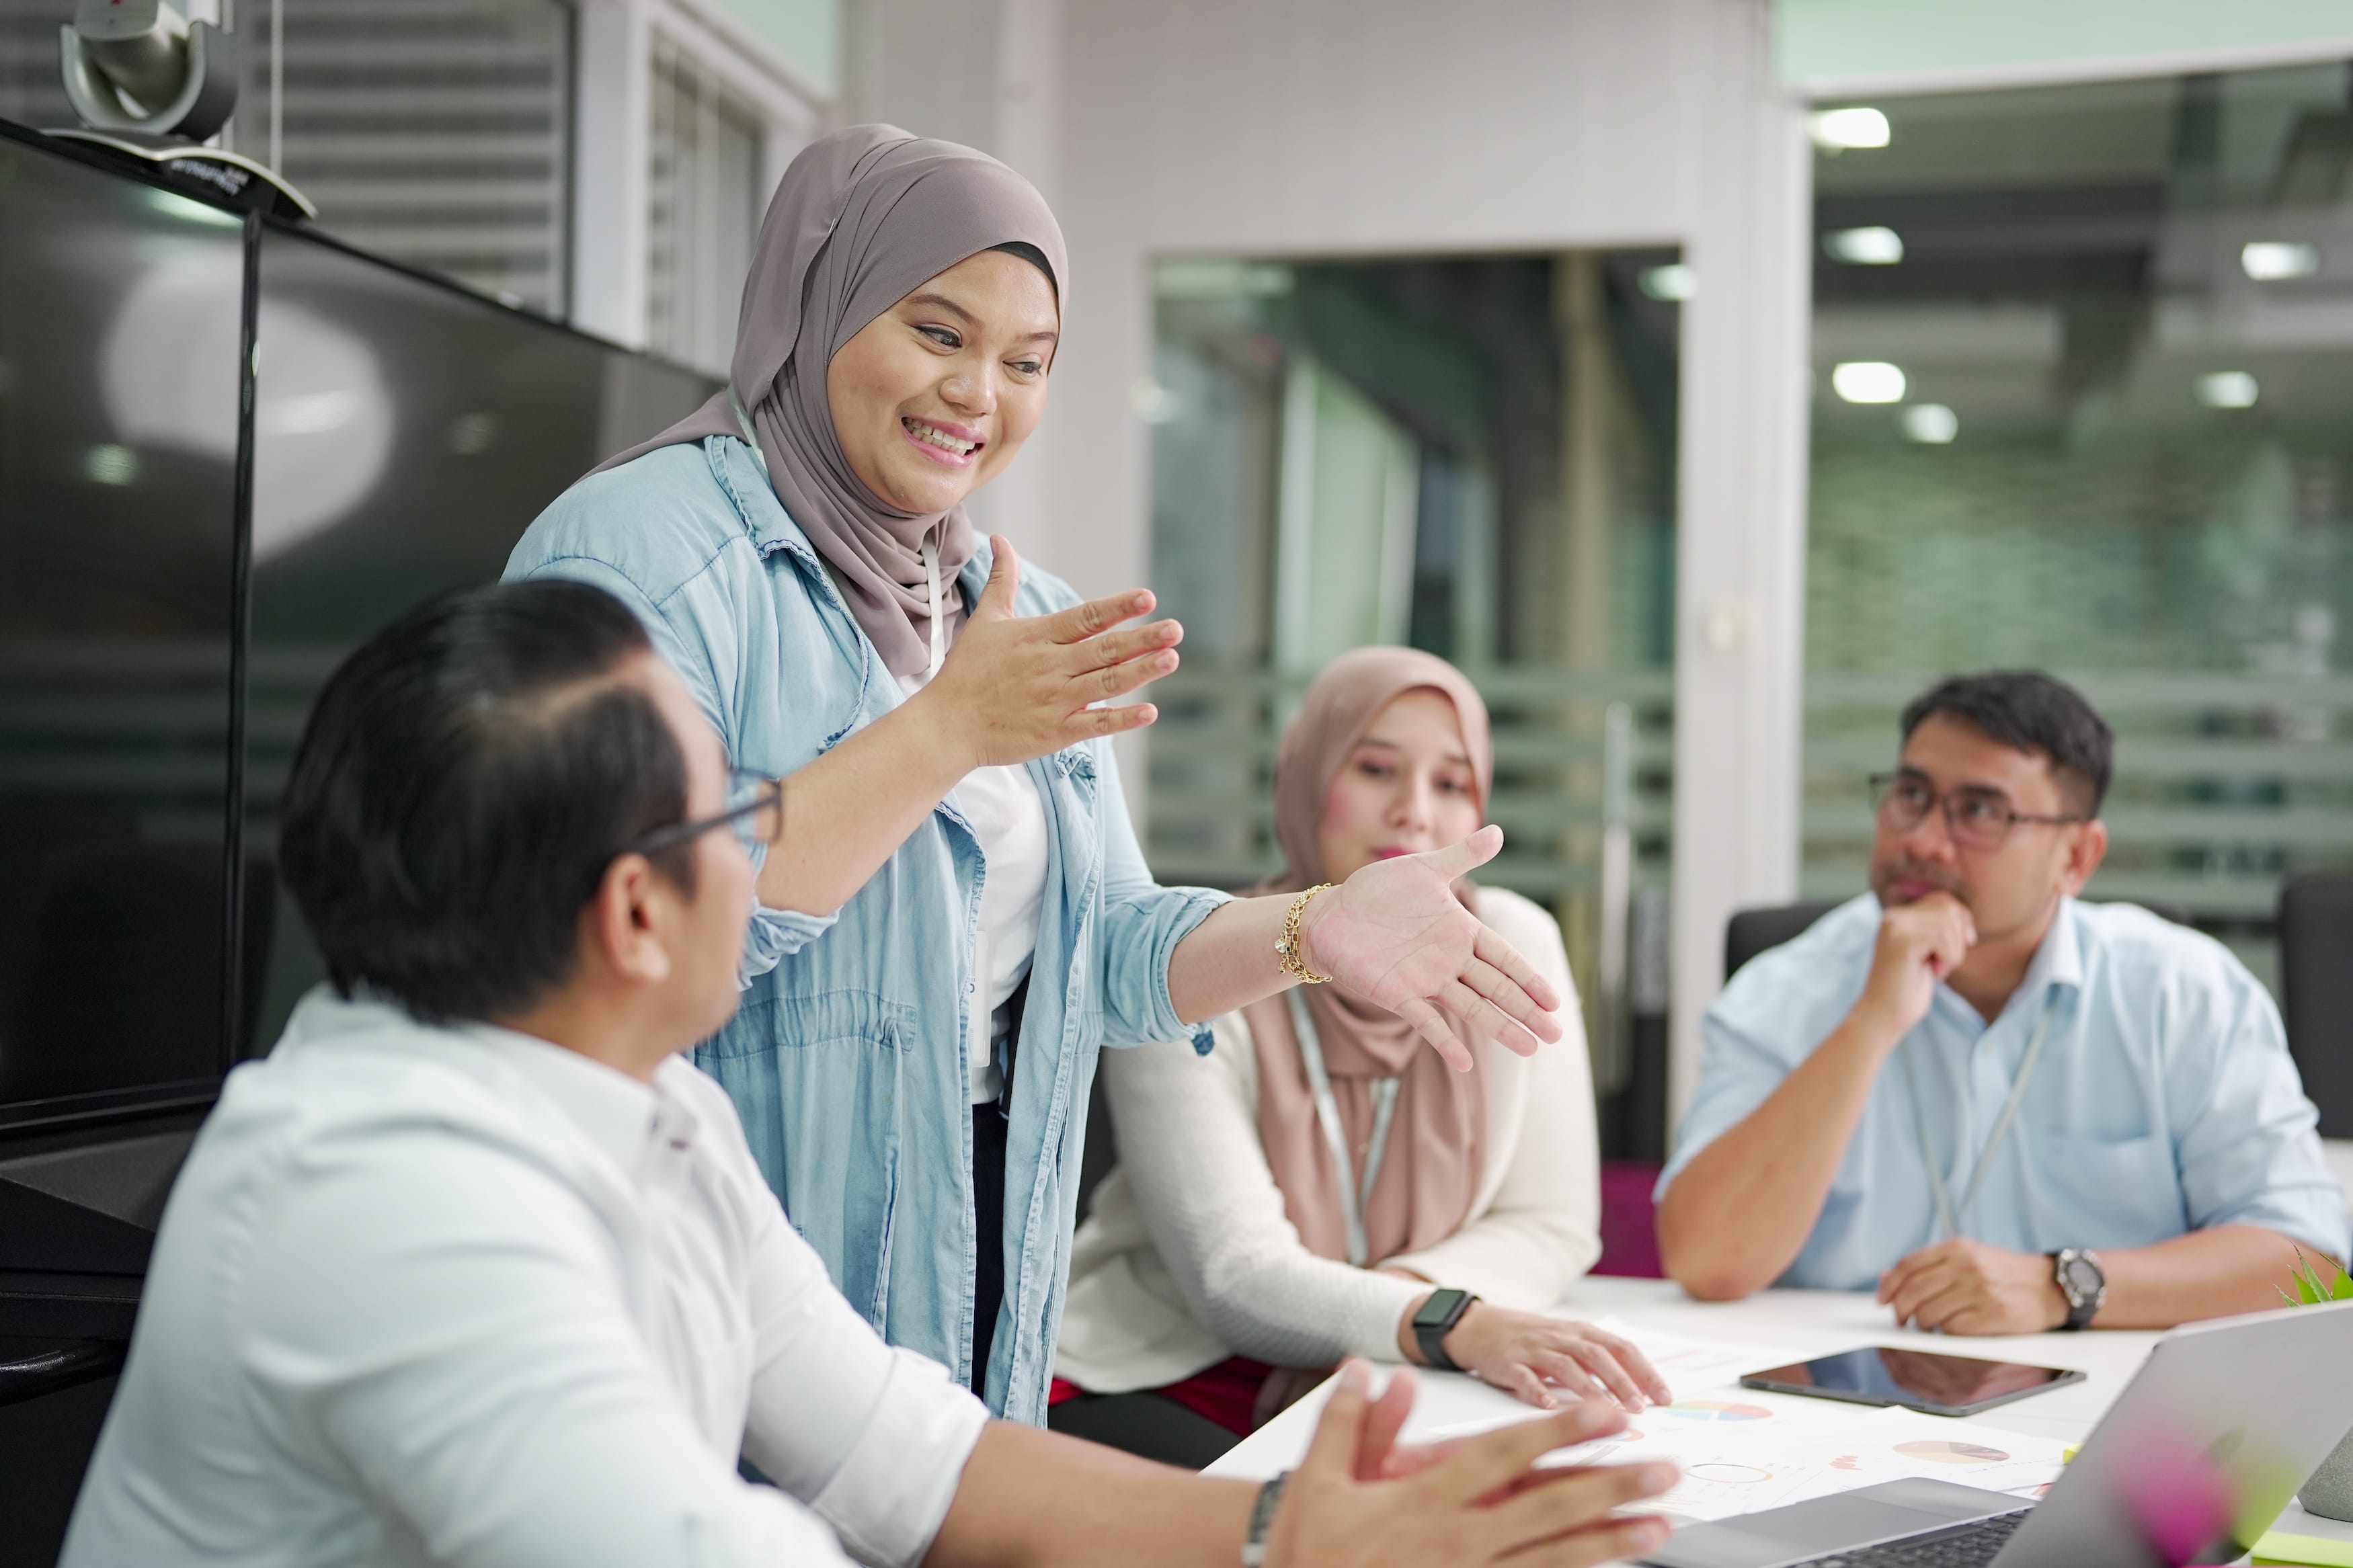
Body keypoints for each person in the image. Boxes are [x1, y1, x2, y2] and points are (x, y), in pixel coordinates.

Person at [61, 581, 1679, 1568]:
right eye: (736, 817)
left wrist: (1285, 1535)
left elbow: (918, 1455)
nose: (778, 843)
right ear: (635, 910)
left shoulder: (638, 1098)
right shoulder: (387, 1199)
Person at [503, 125, 1564, 1420]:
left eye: (1026, 361)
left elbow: (1109, 949)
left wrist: (1308, 929)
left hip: (986, 1213)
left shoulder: (997, 601)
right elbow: (627, 929)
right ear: (814, 304)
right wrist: (946, 730)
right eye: (938, 334)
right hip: (722, 1223)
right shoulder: (644, 550)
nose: (978, 394)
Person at [1051, 649, 1671, 1467]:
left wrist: (1383, 1324)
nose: (1414, 811)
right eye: (1376, 768)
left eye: (1451, 784)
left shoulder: (1514, 943)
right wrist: (1450, 1321)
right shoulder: (1192, 962)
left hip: (1407, 1362)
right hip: (1164, 1371)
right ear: (1305, 781)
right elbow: (1234, 1277)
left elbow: (1550, 1225)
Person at [1655, 670, 2350, 1331]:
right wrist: (1869, 1022)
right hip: (1833, 1404)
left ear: (2075, 857)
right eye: (1910, 794)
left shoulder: (2183, 993)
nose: (1922, 839)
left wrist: (2065, 1284)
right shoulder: (1785, 989)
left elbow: (2308, 1258)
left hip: (2106, 1406)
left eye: (1979, 811)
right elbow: (1704, 1259)